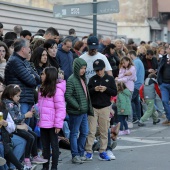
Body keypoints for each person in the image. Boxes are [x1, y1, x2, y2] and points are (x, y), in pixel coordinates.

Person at [1, 84, 48, 169]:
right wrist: (25, 116)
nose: (19, 98)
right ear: (11, 95)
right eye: (17, 96)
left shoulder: (13, 103)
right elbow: (14, 119)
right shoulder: (9, 104)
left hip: (15, 126)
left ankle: (34, 156)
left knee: (33, 134)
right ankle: (26, 160)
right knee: (29, 137)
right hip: (12, 129)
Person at [85, 59, 117, 161]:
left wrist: (106, 89)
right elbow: (88, 92)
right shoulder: (92, 79)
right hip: (93, 107)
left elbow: (114, 92)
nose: (99, 72)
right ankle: (88, 151)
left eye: (100, 70)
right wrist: (94, 89)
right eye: (97, 70)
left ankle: (102, 151)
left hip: (105, 107)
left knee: (104, 131)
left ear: (104, 69)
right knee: (91, 130)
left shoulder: (110, 79)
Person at [4, 38, 40, 126]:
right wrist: (33, 76)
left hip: (27, 99)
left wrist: (33, 76)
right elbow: (32, 81)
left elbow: (38, 78)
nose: (30, 50)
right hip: (20, 100)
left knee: (28, 128)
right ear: (23, 49)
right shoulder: (15, 61)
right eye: (28, 47)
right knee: (21, 126)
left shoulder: (24, 61)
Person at [65, 58, 93, 164]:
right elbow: (68, 95)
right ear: (76, 68)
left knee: (84, 132)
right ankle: (75, 155)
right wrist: (78, 106)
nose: (83, 70)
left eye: (85, 68)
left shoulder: (82, 79)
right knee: (74, 133)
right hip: (76, 112)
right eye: (81, 68)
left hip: (83, 111)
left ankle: (81, 153)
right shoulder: (72, 79)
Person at [38, 67, 66, 170]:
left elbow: (60, 108)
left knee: (54, 146)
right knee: (45, 147)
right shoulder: (41, 89)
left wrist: (58, 124)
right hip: (43, 122)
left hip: (53, 123)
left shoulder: (57, 90)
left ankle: (54, 167)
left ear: (49, 76)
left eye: (43, 74)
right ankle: (45, 167)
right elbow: (41, 104)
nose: (41, 76)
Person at [128, 50, 145, 123]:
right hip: (139, 83)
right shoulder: (139, 61)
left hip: (136, 84)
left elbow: (133, 73)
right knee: (136, 101)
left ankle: (135, 117)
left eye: (128, 55)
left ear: (131, 55)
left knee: (130, 100)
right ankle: (139, 117)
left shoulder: (136, 62)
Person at [157, 45, 170, 125]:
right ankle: (169, 118)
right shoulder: (163, 58)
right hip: (164, 84)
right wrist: (160, 82)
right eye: (169, 48)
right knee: (164, 101)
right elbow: (160, 70)